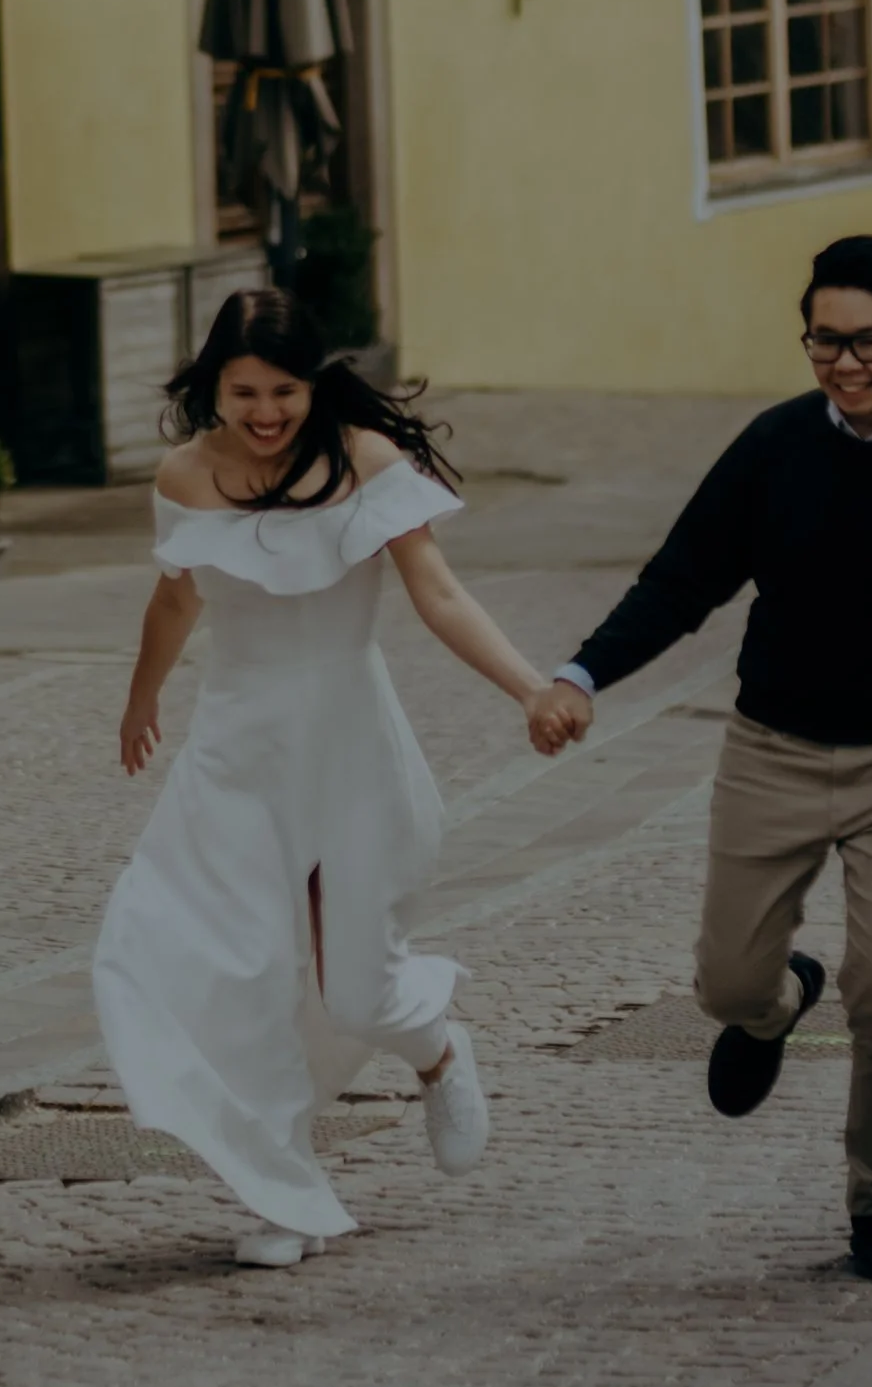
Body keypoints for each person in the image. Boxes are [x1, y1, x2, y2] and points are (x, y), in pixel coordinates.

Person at [531, 235, 872, 1284]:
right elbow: (682, 579)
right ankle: (779, 1003)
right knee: (728, 984)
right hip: (770, 751)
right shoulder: (775, 447)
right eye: (824, 340)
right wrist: (581, 675)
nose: (843, 363)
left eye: (867, 342)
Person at [96, 288, 566, 1267]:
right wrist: (141, 701)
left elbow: (440, 594)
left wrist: (531, 688)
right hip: (236, 755)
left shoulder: (365, 461)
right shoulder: (184, 475)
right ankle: (285, 1197)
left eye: (284, 391)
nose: (265, 413)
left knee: (355, 993)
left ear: (314, 384)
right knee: (230, 969)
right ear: (212, 388)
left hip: (351, 747)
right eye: (244, 393)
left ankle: (437, 1049)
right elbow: (174, 601)